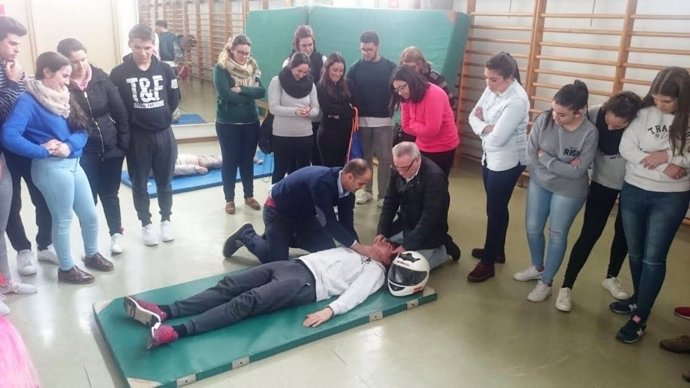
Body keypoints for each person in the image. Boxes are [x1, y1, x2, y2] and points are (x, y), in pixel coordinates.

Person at [123, 241, 395, 349]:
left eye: (387, 247)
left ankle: (176, 331)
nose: (381, 242)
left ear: (388, 259)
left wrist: (331, 310)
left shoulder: (375, 272)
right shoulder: (356, 248)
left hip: (307, 285)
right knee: (229, 285)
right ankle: (165, 311)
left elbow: (357, 294)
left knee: (246, 301)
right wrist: (363, 247)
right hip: (294, 264)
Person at [1, 51, 114, 284]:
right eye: (64, 75)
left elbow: (83, 128)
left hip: (73, 163)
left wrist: (68, 146)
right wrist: (42, 150)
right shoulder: (28, 101)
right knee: (62, 219)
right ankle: (66, 268)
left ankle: (91, 254)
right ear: (47, 72)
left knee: (90, 214)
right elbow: (9, 135)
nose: (67, 81)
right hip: (51, 168)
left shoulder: (64, 95)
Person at [610, 67, 690, 344]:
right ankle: (638, 298)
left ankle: (640, 315)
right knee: (635, 252)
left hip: (669, 198)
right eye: (657, 98)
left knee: (653, 258)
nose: (660, 105)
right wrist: (667, 165)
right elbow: (626, 149)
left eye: (667, 101)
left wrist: (665, 156)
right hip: (634, 191)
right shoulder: (644, 114)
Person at [556, 92, 642, 312]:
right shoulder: (594, 113)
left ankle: (611, 276)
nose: (611, 128)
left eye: (619, 126)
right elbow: (572, 130)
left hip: (631, 185)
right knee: (589, 233)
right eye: (608, 122)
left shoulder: (639, 122)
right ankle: (567, 286)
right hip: (601, 183)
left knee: (623, 233)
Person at [513, 80, 598, 303]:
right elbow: (531, 153)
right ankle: (537, 267)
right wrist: (560, 166)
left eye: (562, 115)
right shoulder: (544, 119)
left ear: (579, 113)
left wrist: (546, 159)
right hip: (540, 182)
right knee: (532, 229)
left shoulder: (589, 133)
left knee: (557, 234)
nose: (555, 118)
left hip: (570, 190)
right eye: (554, 111)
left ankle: (547, 281)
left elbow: (579, 172)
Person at [223, 159, 377, 263]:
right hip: (278, 212)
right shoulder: (321, 182)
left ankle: (280, 238)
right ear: (350, 177)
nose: (362, 188)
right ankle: (247, 234)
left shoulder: (347, 192)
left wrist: (360, 251)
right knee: (277, 263)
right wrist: (359, 247)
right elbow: (328, 221)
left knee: (328, 250)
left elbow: (346, 224)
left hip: (304, 216)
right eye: (361, 183)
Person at [57, 38, 130, 256]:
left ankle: (116, 233)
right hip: (83, 151)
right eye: (74, 61)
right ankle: (91, 243)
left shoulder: (101, 78)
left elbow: (120, 111)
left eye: (83, 59)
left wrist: (123, 143)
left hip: (111, 147)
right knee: (87, 200)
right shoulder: (63, 85)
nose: (80, 65)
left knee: (110, 193)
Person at [110, 24, 180, 246]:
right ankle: (146, 224)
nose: (143, 52)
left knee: (165, 181)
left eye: (147, 47)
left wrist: (165, 115)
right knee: (139, 182)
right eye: (138, 47)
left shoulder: (166, 70)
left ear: (154, 46)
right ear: (130, 44)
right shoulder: (119, 73)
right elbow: (115, 105)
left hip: (163, 133)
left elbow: (175, 97)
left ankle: (166, 220)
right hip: (137, 137)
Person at [0, 16, 57, 277]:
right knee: (12, 205)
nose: (17, 48)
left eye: (19, 44)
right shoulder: (11, 75)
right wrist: (13, 83)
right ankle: (23, 251)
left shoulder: (16, 67)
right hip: (4, 152)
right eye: (12, 43)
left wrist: (22, 81)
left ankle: (44, 243)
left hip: (27, 146)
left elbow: (27, 106)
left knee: (42, 196)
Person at [466, 52, 529, 282]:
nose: (488, 83)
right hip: (489, 156)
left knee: (495, 209)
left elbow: (498, 139)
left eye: (494, 79)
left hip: (507, 161)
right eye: (486, 78)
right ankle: (497, 250)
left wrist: (486, 129)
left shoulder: (517, 100)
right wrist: (486, 127)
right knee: (495, 207)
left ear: (509, 77)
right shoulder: (492, 88)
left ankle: (489, 261)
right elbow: (472, 116)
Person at [376, 142, 456, 269]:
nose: (400, 172)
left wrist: (408, 245)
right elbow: (390, 201)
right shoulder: (398, 167)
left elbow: (430, 218)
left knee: (407, 267)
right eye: (397, 167)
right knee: (381, 254)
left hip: (430, 230)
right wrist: (382, 231)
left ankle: (443, 249)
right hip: (406, 222)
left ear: (417, 160)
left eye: (404, 168)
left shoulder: (435, 177)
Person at [213, 34, 265, 215]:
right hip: (228, 123)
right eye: (240, 52)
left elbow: (261, 92)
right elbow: (226, 94)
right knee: (230, 161)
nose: (244, 56)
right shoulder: (221, 69)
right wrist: (248, 96)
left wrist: (242, 89)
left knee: (247, 161)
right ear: (231, 50)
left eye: (247, 53)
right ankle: (229, 199)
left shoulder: (252, 67)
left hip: (251, 121)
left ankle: (248, 196)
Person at [347, 31, 396, 208]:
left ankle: (383, 195)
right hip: (363, 121)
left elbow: (398, 90)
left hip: (384, 121)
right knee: (365, 158)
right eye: (363, 49)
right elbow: (348, 92)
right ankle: (366, 191)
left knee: (384, 159)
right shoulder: (355, 68)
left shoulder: (390, 66)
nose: (366, 53)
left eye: (369, 49)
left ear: (377, 46)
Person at [390, 65, 459, 177]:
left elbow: (431, 130)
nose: (400, 92)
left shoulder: (434, 95)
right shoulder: (405, 96)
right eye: (397, 89)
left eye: (402, 87)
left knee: (437, 184)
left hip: (443, 147)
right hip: (421, 145)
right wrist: (419, 126)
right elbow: (406, 127)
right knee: (419, 183)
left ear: (412, 82)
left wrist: (413, 123)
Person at [268, 51, 320, 184]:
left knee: (303, 171)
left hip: (305, 135)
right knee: (280, 169)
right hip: (282, 135)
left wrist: (309, 112)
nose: (302, 75)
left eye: (305, 72)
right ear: (292, 66)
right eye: (299, 71)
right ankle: (274, 200)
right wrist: (295, 111)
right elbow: (273, 108)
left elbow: (316, 109)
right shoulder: (277, 81)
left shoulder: (310, 84)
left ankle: (298, 200)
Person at [282, 25, 327, 166]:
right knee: (297, 160)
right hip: (296, 118)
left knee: (317, 155)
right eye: (304, 45)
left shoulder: (322, 60)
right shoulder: (288, 62)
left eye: (310, 44)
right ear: (297, 46)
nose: (308, 48)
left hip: (316, 117)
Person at [316, 52, 356, 167]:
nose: (338, 74)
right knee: (328, 168)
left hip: (345, 133)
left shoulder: (348, 83)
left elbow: (356, 108)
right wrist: (346, 107)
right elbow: (328, 109)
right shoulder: (321, 85)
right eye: (335, 70)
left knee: (341, 167)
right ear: (327, 68)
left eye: (341, 70)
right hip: (328, 133)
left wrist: (339, 112)